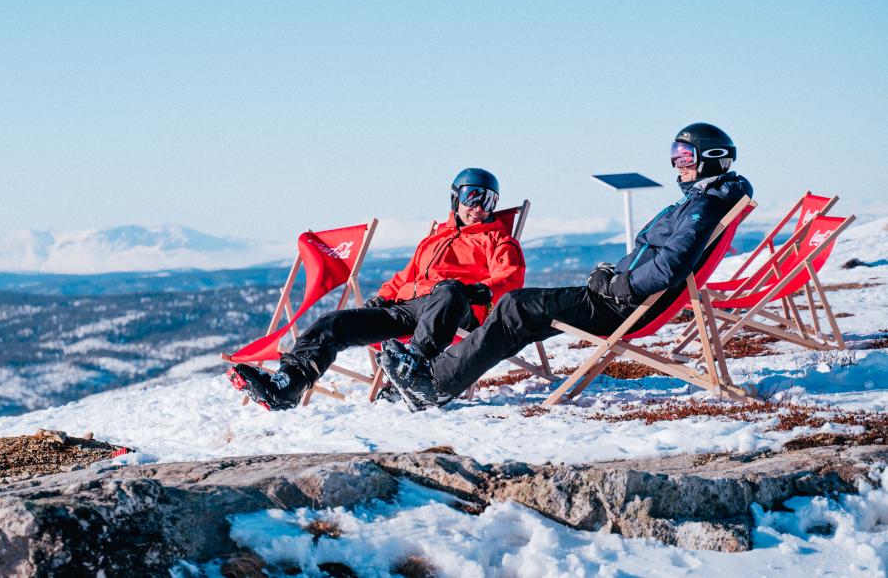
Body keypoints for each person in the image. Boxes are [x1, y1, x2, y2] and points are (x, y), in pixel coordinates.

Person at [380, 123, 754, 411]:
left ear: (712, 157)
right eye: (675, 154)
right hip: (622, 298)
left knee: (515, 307)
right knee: (520, 312)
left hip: (626, 305)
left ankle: (435, 384)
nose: (677, 163)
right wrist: (611, 275)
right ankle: (435, 377)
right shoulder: (706, 201)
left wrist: (614, 285)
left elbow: (669, 267)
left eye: (685, 155)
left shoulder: (703, 206)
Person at [228, 168, 526, 410]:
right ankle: (287, 385)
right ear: (455, 197)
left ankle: (415, 375)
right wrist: (383, 298)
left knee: (448, 291)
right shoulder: (434, 239)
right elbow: (405, 276)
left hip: (456, 308)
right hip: (411, 308)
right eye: (472, 196)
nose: (479, 207)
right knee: (333, 323)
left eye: (489, 201)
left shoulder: (498, 240)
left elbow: (511, 276)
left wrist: (476, 290)